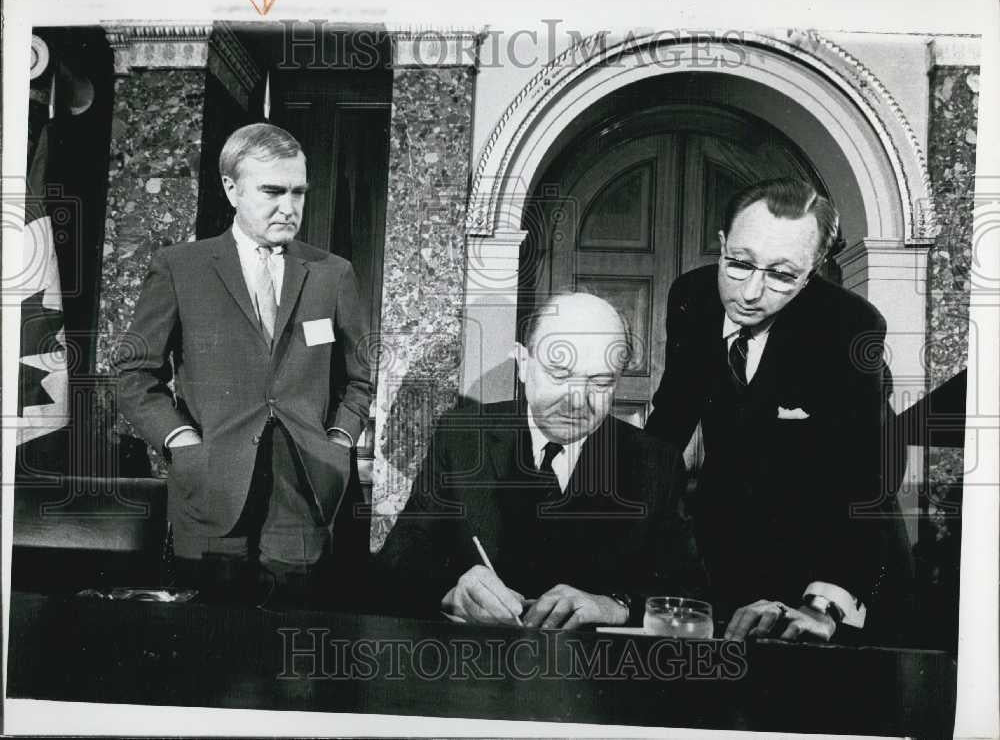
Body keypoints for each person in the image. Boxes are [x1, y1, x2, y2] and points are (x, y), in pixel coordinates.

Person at [115, 123, 373, 605]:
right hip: (209, 488)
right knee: (210, 651)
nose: (289, 207)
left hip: (306, 491)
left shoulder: (332, 274)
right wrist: (183, 442)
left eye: (298, 192)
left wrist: (337, 442)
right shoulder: (180, 267)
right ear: (231, 188)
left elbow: (359, 377)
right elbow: (134, 375)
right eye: (272, 191)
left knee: (293, 653)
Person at [645, 177, 912, 643]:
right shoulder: (693, 298)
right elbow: (666, 429)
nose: (750, 293)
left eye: (781, 275)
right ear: (723, 244)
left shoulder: (849, 326)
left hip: (832, 554)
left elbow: (867, 480)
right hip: (728, 542)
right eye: (740, 263)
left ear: (812, 271)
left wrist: (825, 605)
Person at [377, 292, 705, 628]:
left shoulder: (655, 462)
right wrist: (450, 590)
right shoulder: (462, 436)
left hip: (590, 672)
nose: (577, 401)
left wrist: (616, 606)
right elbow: (400, 556)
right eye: (560, 374)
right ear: (523, 363)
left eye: (600, 381)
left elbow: (689, 591)